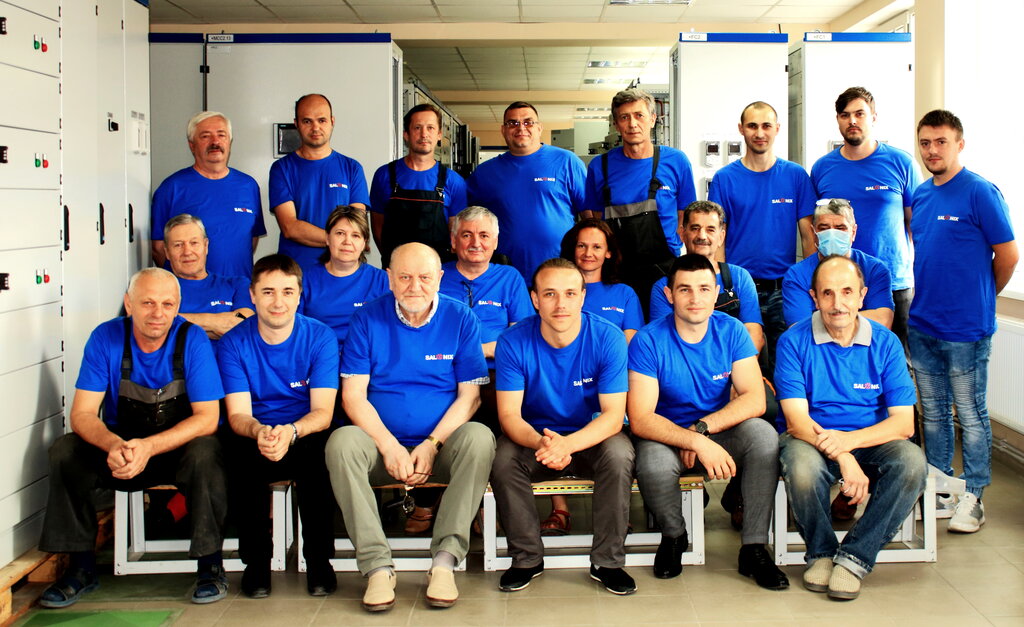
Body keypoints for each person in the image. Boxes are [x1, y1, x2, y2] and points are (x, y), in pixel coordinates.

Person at [39, 268, 228, 607]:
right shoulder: (106, 337)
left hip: (175, 450)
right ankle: (80, 568)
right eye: (148, 303)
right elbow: (82, 414)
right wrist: (113, 445)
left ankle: (210, 566)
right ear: (129, 304)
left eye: (167, 304)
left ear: (178, 307)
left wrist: (150, 447)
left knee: (206, 452)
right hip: (121, 448)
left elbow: (207, 418)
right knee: (65, 451)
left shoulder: (192, 339)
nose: (158, 313)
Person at [326, 243, 494, 612]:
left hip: (441, 448)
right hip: (380, 448)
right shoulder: (366, 319)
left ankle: (445, 562)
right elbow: (353, 397)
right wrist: (387, 445)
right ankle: (377, 567)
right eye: (404, 277)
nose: (414, 286)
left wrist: (433, 444)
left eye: (424, 277)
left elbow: (470, 398)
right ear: (389, 278)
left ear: (440, 278)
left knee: (480, 438)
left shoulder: (461, 318)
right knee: (341, 443)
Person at [629, 254, 787, 590]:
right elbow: (641, 419)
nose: (695, 298)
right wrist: (692, 440)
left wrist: (701, 429)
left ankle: (754, 547)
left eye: (703, 288)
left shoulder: (732, 330)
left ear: (716, 293)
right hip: (665, 436)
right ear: (669, 294)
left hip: (716, 429)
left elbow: (754, 398)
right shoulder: (648, 340)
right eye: (684, 289)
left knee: (763, 436)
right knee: (652, 463)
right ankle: (674, 535)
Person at [775, 255, 926, 601]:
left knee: (912, 463)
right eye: (827, 293)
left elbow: (903, 424)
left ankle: (854, 558)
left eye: (847, 292)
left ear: (862, 296)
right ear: (814, 298)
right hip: (810, 438)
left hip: (872, 439)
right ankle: (821, 553)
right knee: (801, 468)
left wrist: (849, 443)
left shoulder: (886, 343)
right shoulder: (793, 341)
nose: (837, 303)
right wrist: (844, 456)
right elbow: (797, 422)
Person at [491, 258, 636, 596]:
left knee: (619, 455)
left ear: (583, 296)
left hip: (592, 435)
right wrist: (544, 444)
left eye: (570, 293)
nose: (561, 304)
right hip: (535, 438)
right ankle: (526, 558)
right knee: (502, 460)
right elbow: (509, 416)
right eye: (550, 294)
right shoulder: (512, 341)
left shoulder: (607, 337)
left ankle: (608, 562)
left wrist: (567, 445)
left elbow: (613, 416)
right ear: (535, 299)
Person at [909, 109, 1019, 532]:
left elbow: (1008, 255)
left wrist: (981, 294)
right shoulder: (921, 195)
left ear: (959, 144)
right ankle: (941, 488)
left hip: (967, 329)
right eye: (925, 143)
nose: (932, 150)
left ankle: (974, 496)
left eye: (941, 142)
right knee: (934, 415)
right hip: (924, 323)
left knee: (970, 414)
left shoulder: (979, 192)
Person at [218, 255, 339, 599]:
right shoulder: (233, 343)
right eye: (268, 292)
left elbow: (323, 412)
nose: (278, 302)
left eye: (287, 292)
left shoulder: (320, 337)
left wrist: (292, 432)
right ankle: (256, 562)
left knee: (321, 458)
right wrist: (261, 433)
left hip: (304, 429)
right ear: (252, 295)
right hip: (255, 430)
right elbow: (238, 415)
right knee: (239, 455)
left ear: (299, 295)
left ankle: (319, 561)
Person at [709, 101, 816, 377]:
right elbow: (718, 240)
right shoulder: (724, 179)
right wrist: (720, 286)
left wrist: (811, 282)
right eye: (752, 126)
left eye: (766, 126)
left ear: (777, 129)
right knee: (741, 366)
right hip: (740, 290)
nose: (759, 133)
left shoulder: (795, 176)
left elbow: (808, 235)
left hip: (784, 288)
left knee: (788, 365)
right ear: (741, 129)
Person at [810, 87, 920, 346]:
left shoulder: (901, 163)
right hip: (839, 285)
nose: (852, 121)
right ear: (838, 120)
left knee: (896, 359)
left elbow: (917, 226)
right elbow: (816, 227)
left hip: (894, 282)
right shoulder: (822, 168)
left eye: (859, 114)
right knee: (841, 358)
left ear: (874, 117)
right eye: (845, 115)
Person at [584, 88, 697, 317]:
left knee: (663, 331)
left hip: (664, 270)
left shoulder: (676, 161)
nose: (632, 124)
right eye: (624, 117)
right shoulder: (599, 166)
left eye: (639, 115)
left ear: (653, 119)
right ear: (616, 124)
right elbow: (593, 218)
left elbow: (686, 213)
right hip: (616, 273)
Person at [467, 102, 587, 279]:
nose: (521, 128)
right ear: (503, 130)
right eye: (513, 123)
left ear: (539, 128)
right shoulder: (485, 173)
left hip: (560, 271)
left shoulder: (566, 161)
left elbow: (588, 216)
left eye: (528, 122)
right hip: (505, 273)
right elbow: (468, 221)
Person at [151, 111, 265, 278]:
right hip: (189, 292)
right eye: (205, 136)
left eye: (221, 135)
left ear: (230, 141)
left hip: (239, 288)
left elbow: (250, 240)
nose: (215, 142)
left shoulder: (248, 186)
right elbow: (158, 248)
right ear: (192, 145)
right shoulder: (171, 188)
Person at [269, 94, 370, 269]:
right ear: (296, 124)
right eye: (307, 121)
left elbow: (356, 226)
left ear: (332, 122)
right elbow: (290, 227)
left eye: (321, 120)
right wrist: (339, 240)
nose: (315, 127)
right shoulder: (282, 169)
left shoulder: (352, 168)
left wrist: (340, 239)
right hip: (296, 274)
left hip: (342, 272)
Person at [649, 201, 764, 351]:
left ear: (721, 237)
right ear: (682, 233)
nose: (702, 236)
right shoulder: (663, 286)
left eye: (710, 230)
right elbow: (663, 341)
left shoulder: (740, 277)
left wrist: (740, 364)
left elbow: (754, 334)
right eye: (695, 228)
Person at [370, 103, 468, 266]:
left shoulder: (454, 181)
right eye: (417, 127)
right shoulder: (384, 175)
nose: (424, 134)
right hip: (395, 271)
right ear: (406, 134)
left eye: (430, 128)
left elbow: (455, 235)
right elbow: (378, 228)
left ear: (439, 135)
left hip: (438, 272)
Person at [782, 199, 894, 329]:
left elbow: (883, 320)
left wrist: (823, 322)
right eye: (824, 228)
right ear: (813, 233)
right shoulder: (796, 275)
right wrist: (856, 320)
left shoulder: (875, 270)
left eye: (840, 228)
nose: (832, 234)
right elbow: (799, 329)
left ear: (853, 232)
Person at [299, 206, 389, 358]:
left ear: (364, 243)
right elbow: (296, 332)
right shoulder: (305, 280)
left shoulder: (383, 281)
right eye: (340, 233)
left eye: (356, 235)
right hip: (319, 359)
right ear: (327, 238)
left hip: (366, 360)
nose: (347, 241)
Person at [163, 214, 254, 346]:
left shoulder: (238, 284)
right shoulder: (157, 289)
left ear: (206, 246)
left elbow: (244, 326)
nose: (187, 252)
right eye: (178, 245)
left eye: (194, 243)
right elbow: (153, 325)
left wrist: (175, 323)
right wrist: (217, 321)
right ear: (167, 252)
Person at [560, 218, 644, 343]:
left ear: (608, 252)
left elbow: (630, 343)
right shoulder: (558, 290)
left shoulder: (625, 293)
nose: (588, 253)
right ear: (573, 249)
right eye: (581, 246)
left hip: (613, 356)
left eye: (597, 247)